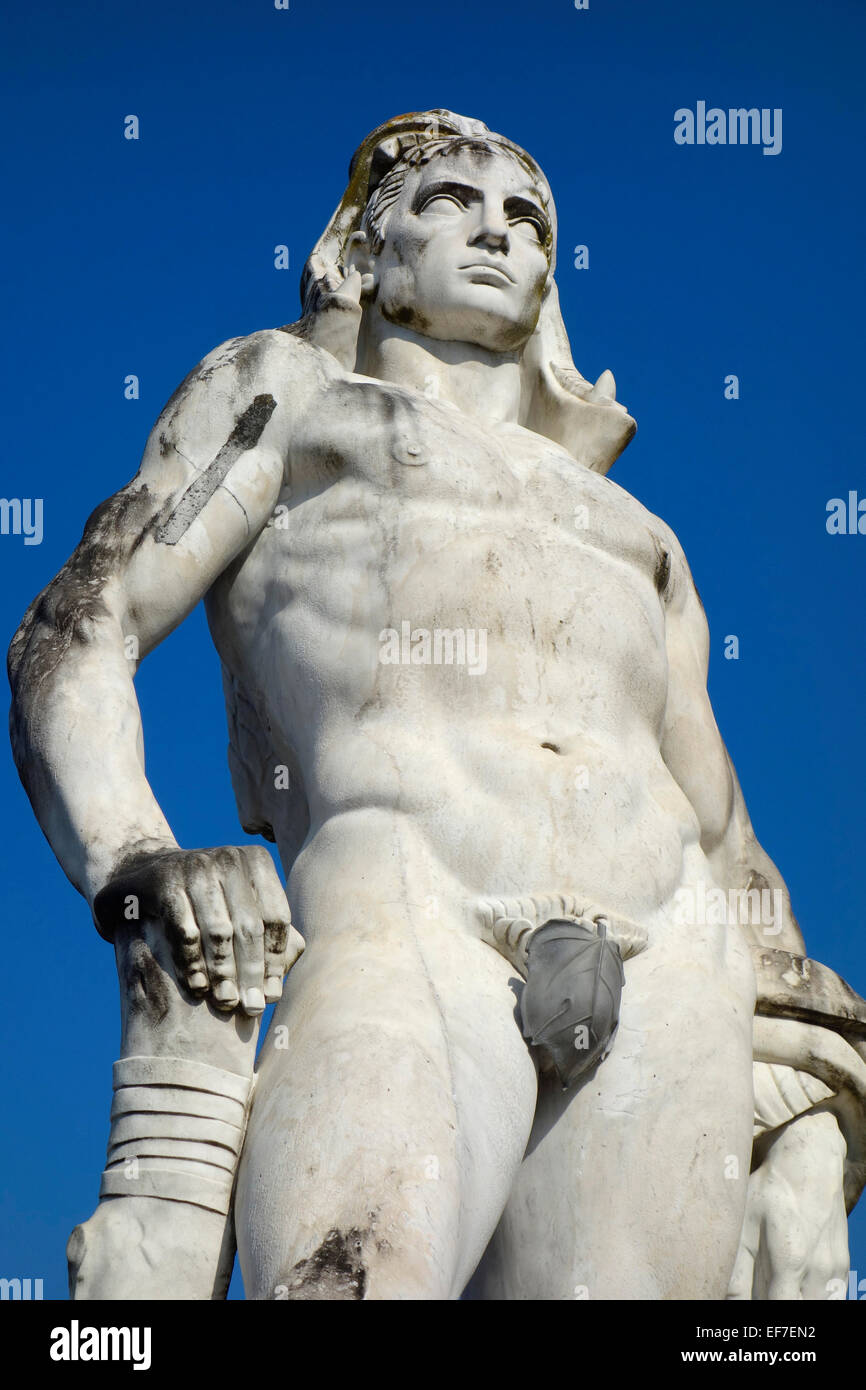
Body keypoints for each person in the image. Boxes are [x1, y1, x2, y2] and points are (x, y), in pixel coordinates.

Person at [8, 110, 857, 1300]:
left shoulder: (641, 538)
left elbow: (721, 828)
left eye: (528, 222)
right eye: (454, 202)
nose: (499, 233)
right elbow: (76, 629)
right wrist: (135, 853)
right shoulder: (290, 397)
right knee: (351, 1276)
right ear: (365, 249)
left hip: (668, 951)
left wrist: (809, 1105)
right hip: (409, 908)